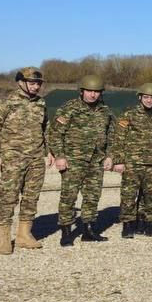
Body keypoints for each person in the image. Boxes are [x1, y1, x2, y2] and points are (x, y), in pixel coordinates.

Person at [0, 67, 49, 254]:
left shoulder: (41, 104)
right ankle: (5, 237)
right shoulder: (7, 103)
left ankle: (24, 235)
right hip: (13, 157)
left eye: (38, 83)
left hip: (36, 158)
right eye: (32, 82)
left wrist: (50, 151)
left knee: (31, 197)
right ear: (20, 82)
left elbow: (46, 128)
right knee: (8, 197)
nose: (36, 86)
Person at [48, 74, 113, 246]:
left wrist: (110, 155)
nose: (93, 95)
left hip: (96, 160)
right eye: (90, 91)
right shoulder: (69, 108)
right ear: (82, 91)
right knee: (69, 196)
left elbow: (111, 135)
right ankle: (66, 232)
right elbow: (55, 134)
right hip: (73, 160)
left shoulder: (105, 110)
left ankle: (88, 230)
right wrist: (60, 156)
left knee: (92, 196)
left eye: (97, 92)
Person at [113, 82, 152, 239]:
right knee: (129, 196)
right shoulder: (128, 114)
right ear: (140, 97)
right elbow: (118, 138)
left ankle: (151, 226)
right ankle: (128, 226)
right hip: (132, 163)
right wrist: (119, 160)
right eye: (146, 97)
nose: (149, 100)